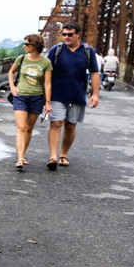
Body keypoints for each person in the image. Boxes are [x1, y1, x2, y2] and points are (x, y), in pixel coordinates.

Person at [46, 22, 100, 170]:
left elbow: (94, 72)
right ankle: (53, 156)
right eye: (64, 34)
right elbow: (47, 72)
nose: (66, 37)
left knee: (70, 125)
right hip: (57, 93)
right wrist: (46, 97)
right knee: (56, 123)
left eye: (70, 34)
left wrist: (95, 94)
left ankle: (63, 154)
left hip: (77, 93)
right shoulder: (56, 50)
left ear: (78, 34)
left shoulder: (88, 51)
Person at [8, 34, 53, 171]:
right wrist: (13, 88)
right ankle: (20, 158)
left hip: (36, 97)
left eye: (27, 44)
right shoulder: (21, 59)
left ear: (35, 46)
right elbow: (11, 72)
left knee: (28, 128)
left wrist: (48, 102)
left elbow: (47, 84)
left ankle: (23, 154)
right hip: (21, 96)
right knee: (21, 127)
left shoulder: (45, 63)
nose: (24, 46)